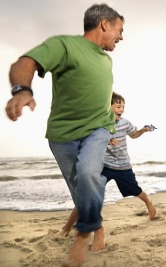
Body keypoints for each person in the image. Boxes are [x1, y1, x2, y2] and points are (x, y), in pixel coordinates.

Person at [5, 4, 124, 266]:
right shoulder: (65, 45)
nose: (121, 37)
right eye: (120, 29)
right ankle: (97, 226)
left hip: (98, 129)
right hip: (61, 135)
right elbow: (25, 62)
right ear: (104, 24)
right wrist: (22, 90)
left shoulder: (106, 58)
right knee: (79, 188)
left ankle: (85, 235)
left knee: (89, 174)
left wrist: (111, 127)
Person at [60, 92, 157, 237]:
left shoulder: (124, 123)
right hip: (103, 166)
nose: (122, 109)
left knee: (136, 191)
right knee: (87, 196)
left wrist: (142, 130)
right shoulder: (98, 125)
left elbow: (134, 134)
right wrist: (108, 140)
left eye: (123, 106)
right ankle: (66, 228)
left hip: (123, 166)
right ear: (107, 107)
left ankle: (148, 202)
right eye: (118, 106)